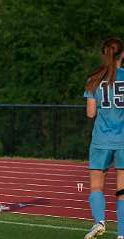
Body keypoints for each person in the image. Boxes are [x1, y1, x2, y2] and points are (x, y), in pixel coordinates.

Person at [84, 38, 124, 239]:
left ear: (103, 54)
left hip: (100, 140)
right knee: (122, 190)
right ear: (122, 55)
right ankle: (122, 233)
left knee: (96, 186)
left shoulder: (94, 79)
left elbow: (91, 114)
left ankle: (99, 221)